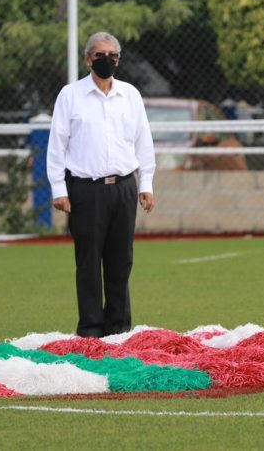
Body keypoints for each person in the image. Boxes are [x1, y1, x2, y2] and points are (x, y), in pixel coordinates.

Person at [47, 32, 157, 337]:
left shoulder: (131, 96)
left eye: (112, 55)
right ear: (87, 59)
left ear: (119, 60)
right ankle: (91, 329)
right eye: (99, 54)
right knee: (88, 263)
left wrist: (145, 183)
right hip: (86, 189)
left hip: (124, 187)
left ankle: (119, 329)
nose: (106, 59)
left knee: (121, 261)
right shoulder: (70, 96)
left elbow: (143, 142)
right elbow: (57, 145)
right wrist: (59, 189)